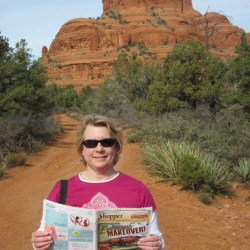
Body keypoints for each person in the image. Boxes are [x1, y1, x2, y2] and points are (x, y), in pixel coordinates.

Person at [31, 115, 165, 250]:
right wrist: (38, 243)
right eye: (91, 143)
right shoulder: (62, 189)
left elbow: (157, 238)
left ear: (116, 147)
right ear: (81, 149)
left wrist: (157, 244)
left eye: (106, 142)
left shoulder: (138, 189)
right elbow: (44, 235)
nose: (99, 149)